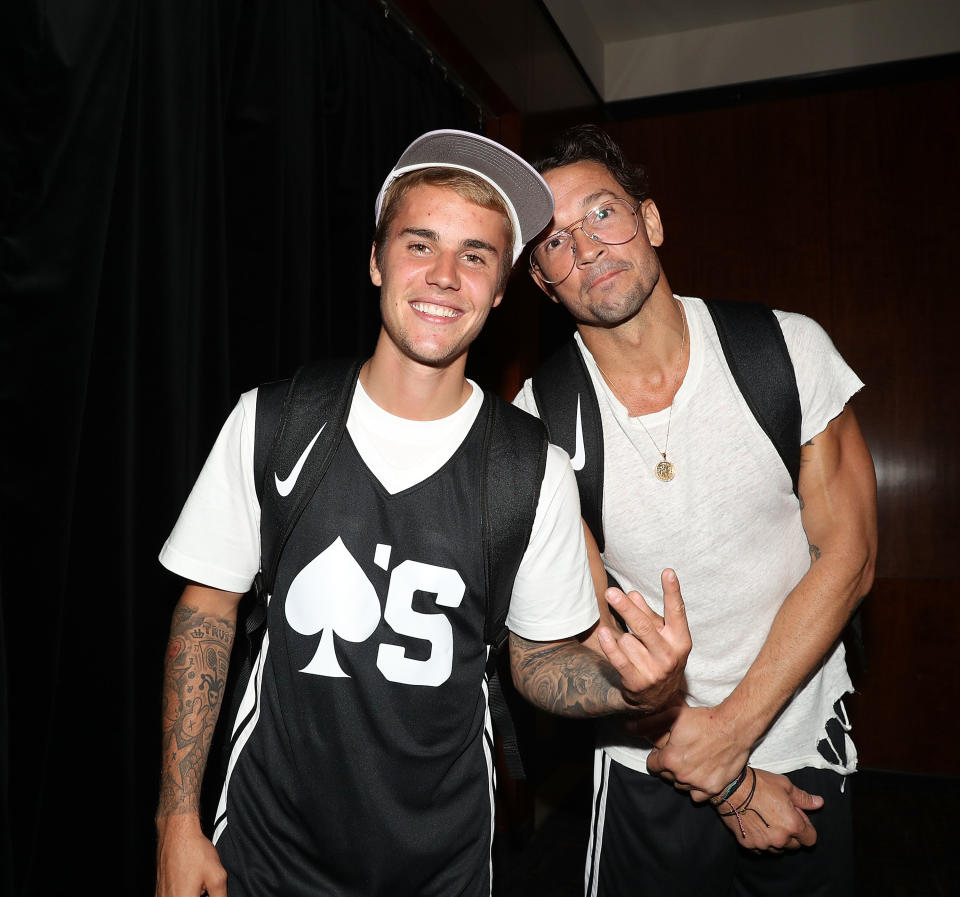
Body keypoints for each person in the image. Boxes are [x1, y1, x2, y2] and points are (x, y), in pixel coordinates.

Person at [154, 129, 693, 897]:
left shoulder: (529, 466)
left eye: (476, 255)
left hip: (445, 866)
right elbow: (206, 609)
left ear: (502, 287)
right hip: (267, 855)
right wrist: (176, 822)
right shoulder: (273, 423)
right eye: (420, 244)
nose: (445, 276)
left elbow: (538, 663)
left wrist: (633, 689)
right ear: (377, 260)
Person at [513, 125, 878, 896]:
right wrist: (729, 782)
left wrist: (734, 741)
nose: (586, 247)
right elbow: (585, 637)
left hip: (801, 741)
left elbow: (850, 558)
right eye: (554, 241)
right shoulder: (536, 421)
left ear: (650, 221)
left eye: (602, 214)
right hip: (650, 762)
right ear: (544, 284)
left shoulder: (786, 349)